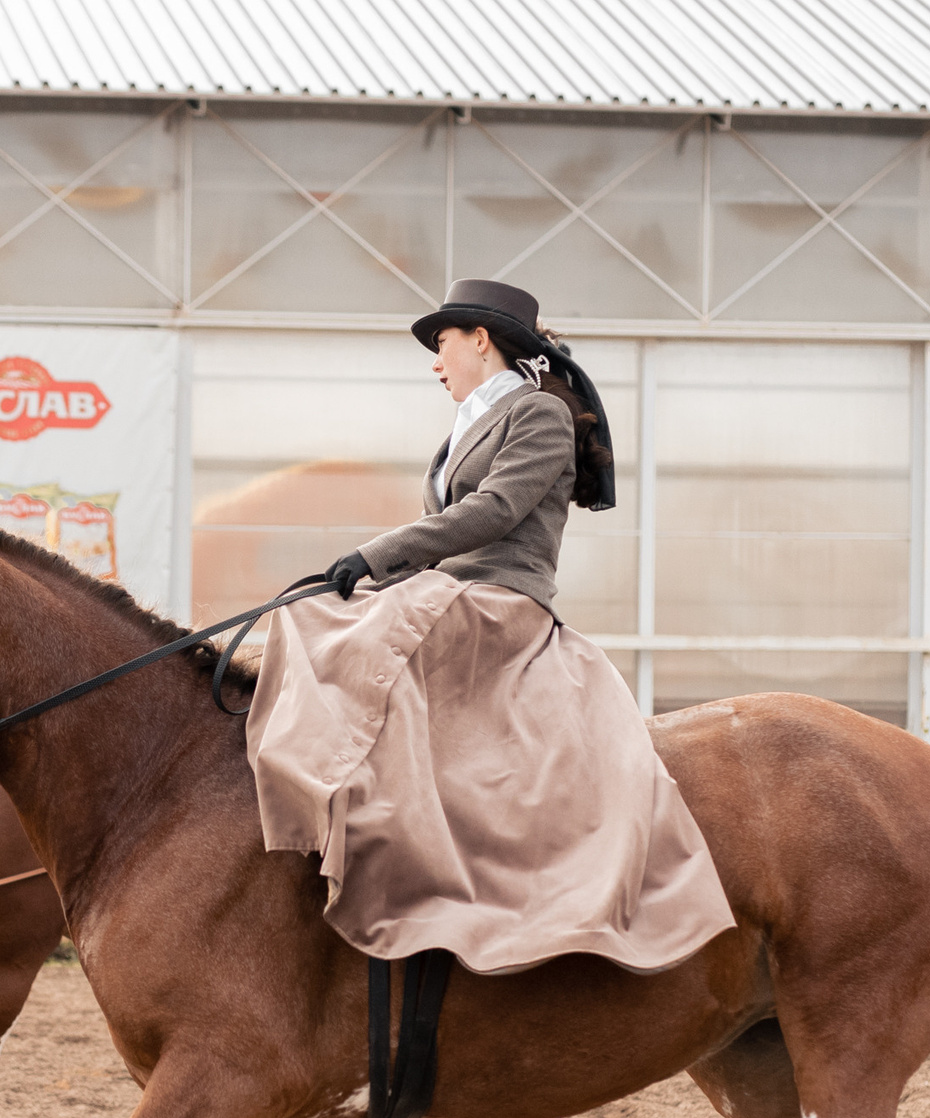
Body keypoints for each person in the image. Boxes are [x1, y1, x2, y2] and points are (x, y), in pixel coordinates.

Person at [244, 279, 734, 977]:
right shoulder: (464, 429)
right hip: (440, 590)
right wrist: (375, 575)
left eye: (440, 343)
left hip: (499, 600)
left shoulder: (538, 416)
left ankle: (362, 833)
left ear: (480, 339)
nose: (434, 361)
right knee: (310, 613)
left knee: (340, 633)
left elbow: (495, 510)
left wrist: (376, 555)